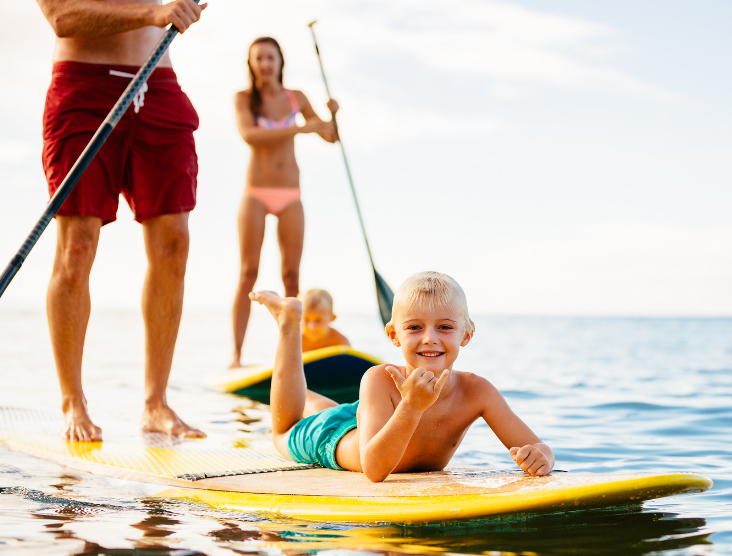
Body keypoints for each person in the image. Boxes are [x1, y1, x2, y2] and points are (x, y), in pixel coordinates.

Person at [35, 0, 207, 441]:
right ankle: (74, 401)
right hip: (83, 86)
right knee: (77, 244)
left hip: (158, 81)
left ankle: (156, 404)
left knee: (174, 245)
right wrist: (152, 14)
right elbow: (62, 17)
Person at [249, 271, 555, 482]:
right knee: (282, 431)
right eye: (415, 327)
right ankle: (289, 322)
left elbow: (537, 445)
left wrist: (542, 457)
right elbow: (374, 470)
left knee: (329, 409)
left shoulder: (478, 391)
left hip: (366, 420)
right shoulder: (380, 379)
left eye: (445, 327)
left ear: (467, 333)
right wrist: (410, 406)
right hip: (332, 439)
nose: (430, 339)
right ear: (394, 335)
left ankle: (315, 398)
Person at [230, 37, 339, 368]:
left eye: (270, 57)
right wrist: (302, 129)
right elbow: (250, 135)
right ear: (251, 64)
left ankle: (294, 355)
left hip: (291, 193)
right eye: (258, 58)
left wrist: (332, 117)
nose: (264, 63)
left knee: (291, 277)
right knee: (248, 272)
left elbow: (329, 135)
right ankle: (236, 357)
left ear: (280, 61)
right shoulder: (245, 99)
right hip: (256, 193)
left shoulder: (297, 98)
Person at [299, 288, 350, 352]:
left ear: (332, 318)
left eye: (318, 320)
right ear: (299, 318)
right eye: (306, 320)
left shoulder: (340, 342)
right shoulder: (296, 341)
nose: (312, 327)